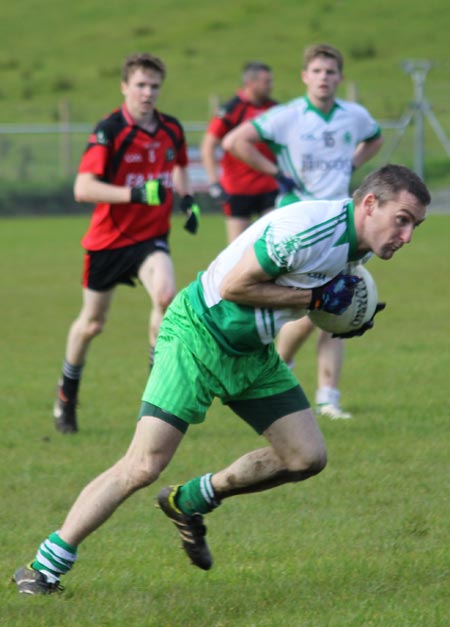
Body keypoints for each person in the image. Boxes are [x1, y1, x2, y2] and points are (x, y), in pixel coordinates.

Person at [13, 164, 430, 594]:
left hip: (250, 350)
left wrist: (343, 318)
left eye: (415, 225)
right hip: (197, 333)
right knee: (143, 465)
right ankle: (42, 567)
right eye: (402, 220)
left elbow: (318, 295)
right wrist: (317, 298)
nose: (407, 236)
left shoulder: (359, 246)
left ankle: (190, 500)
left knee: (306, 456)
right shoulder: (310, 230)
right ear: (369, 205)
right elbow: (234, 286)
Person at [223, 43, 383, 419]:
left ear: (340, 78)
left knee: (340, 305)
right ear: (304, 76)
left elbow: (374, 136)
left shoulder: (354, 116)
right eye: (317, 71)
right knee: (307, 305)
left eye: (330, 72)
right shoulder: (287, 116)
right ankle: (280, 365)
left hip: (345, 223)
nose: (324, 78)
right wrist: (274, 172)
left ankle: (328, 395)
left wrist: (355, 161)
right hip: (299, 224)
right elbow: (234, 141)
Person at [53, 52, 200, 434]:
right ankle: (67, 394)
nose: (147, 92)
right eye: (140, 85)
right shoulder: (110, 130)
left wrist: (187, 199)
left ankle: (158, 396)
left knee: (167, 297)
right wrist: (135, 194)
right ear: (125, 87)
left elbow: (179, 165)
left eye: (154, 86)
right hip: (108, 241)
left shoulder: (171, 128)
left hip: (152, 238)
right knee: (92, 324)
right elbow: (83, 189)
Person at [201, 61, 279, 243]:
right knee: (237, 249)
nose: (270, 86)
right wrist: (214, 183)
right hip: (238, 189)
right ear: (251, 83)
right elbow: (208, 146)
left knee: (275, 245)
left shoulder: (275, 109)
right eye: (266, 82)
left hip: (269, 187)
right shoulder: (231, 110)